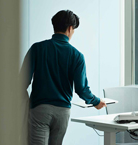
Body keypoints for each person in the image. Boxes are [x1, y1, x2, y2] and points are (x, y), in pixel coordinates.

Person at [20, 10, 106, 145]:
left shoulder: (37, 48)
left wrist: (28, 104)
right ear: (70, 28)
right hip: (62, 113)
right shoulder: (77, 55)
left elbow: (21, 83)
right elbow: (82, 89)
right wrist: (96, 101)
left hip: (40, 110)